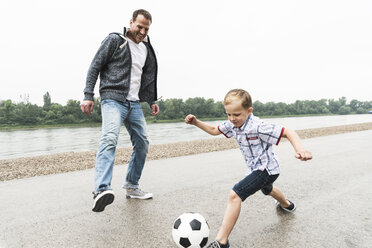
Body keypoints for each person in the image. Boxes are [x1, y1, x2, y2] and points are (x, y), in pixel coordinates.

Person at [185, 89, 312, 248]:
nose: (232, 119)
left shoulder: (258, 126)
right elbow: (214, 130)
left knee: (235, 194)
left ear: (249, 111)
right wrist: (196, 122)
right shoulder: (232, 124)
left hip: (266, 169)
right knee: (268, 189)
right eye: (228, 114)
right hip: (258, 170)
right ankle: (287, 205)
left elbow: (288, 132)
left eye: (237, 114)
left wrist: (300, 150)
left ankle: (222, 241)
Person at [81, 9, 159, 212]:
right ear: (131, 22)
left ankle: (132, 186)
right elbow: (94, 66)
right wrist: (88, 95)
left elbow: (146, 77)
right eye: (139, 26)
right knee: (109, 139)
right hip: (113, 100)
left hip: (134, 103)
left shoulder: (147, 50)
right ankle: (101, 190)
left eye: (146, 28)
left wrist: (151, 100)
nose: (142, 31)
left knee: (142, 143)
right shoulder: (115, 40)